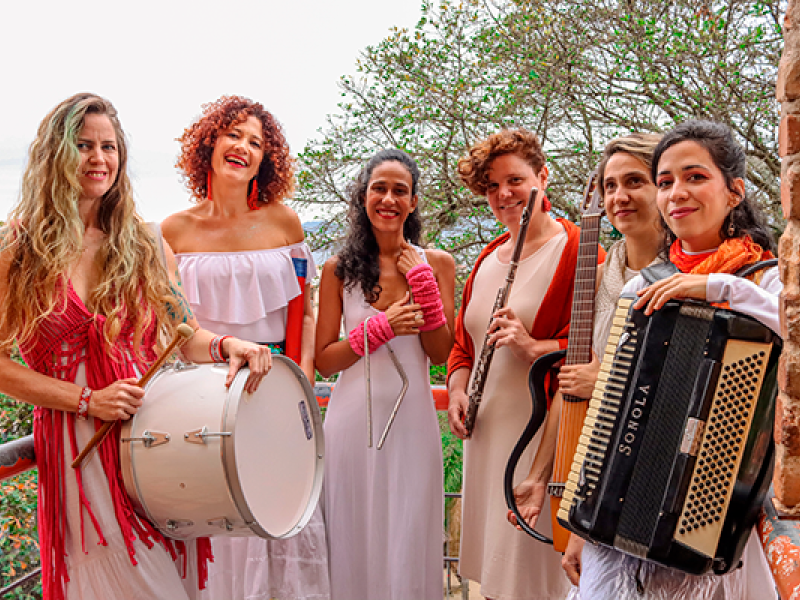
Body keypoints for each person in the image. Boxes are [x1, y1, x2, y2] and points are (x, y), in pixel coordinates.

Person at [0, 93, 271, 600]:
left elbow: (181, 335)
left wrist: (229, 344)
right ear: (53, 154)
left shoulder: (143, 242)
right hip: (77, 448)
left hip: (154, 440)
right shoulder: (18, 250)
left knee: (163, 579)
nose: (98, 159)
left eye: (108, 147)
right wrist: (86, 400)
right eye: (82, 145)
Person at [576, 120, 779, 599]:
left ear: (734, 191)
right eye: (664, 182)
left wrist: (720, 288)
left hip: (730, 519)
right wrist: (584, 515)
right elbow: (612, 412)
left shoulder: (766, 280)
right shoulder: (642, 287)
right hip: (629, 513)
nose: (676, 193)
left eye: (694, 177)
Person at [162, 95, 328, 600]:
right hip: (200, 398)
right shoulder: (173, 231)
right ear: (209, 143)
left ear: (266, 159)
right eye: (234, 134)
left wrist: (298, 387)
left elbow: (306, 312)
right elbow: (174, 328)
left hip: (275, 390)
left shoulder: (284, 223)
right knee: (213, 519)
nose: (243, 147)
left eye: (256, 142)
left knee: (277, 520)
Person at [447, 128, 604, 600]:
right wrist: (456, 391)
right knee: (494, 580)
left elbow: (593, 353)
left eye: (515, 180)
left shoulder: (578, 251)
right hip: (485, 437)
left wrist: (532, 344)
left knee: (534, 580)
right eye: (492, 186)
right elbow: (463, 347)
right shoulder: (485, 260)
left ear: (543, 176)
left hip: (537, 436)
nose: (503, 194)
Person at [508, 132, 664, 586]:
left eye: (635, 181)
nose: (619, 196)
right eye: (610, 184)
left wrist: (610, 380)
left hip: (647, 473)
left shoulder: (685, 278)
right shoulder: (596, 278)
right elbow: (573, 385)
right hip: (593, 468)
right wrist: (539, 476)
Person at [315, 148, 455, 600]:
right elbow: (324, 360)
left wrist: (426, 290)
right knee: (350, 526)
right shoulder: (338, 270)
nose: (389, 199)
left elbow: (438, 352)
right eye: (380, 188)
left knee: (410, 530)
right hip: (350, 420)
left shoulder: (438, 264)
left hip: (412, 421)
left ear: (413, 202)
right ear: (363, 196)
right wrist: (380, 328)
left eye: (400, 190)